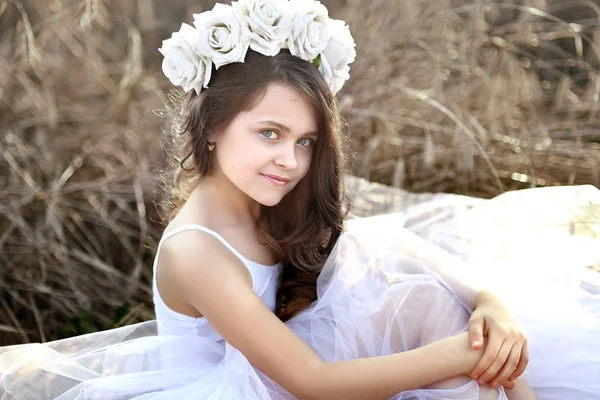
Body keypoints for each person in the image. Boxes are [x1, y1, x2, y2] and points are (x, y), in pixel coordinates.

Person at [1, 1, 599, 399]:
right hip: (260, 388)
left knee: (401, 274)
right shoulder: (195, 251)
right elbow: (312, 383)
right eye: (269, 134)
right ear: (212, 127)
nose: (290, 160)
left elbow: (386, 250)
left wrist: (489, 302)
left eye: (306, 141)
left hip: (297, 364)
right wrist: (461, 354)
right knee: (435, 320)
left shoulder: (269, 200)